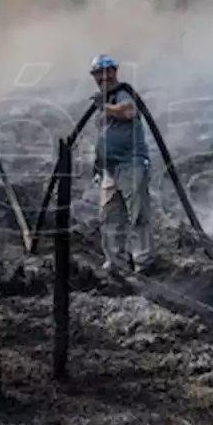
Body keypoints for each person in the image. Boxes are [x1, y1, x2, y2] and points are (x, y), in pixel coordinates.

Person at [89, 54, 154, 273]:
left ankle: (142, 262)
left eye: (109, 71)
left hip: (131, 164)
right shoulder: (104, 101)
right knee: (109, 217)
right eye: (99, 73)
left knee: (137, 215)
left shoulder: (123, 92)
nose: (104, 76)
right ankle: (116, 262)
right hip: (109, 170)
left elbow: (128, 111)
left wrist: (105, 106)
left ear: (115, 72)